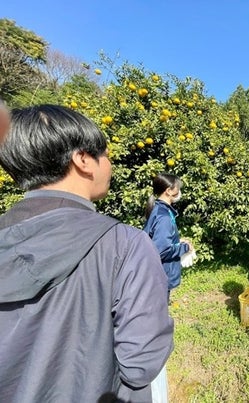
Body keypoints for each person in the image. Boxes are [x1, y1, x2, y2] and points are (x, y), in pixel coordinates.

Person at [0, 105, 174, 403]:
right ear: (83, 159)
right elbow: (141, 364)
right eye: (105, 155)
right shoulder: (125, 245)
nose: (110, 164)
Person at [143, 172, 193, 302]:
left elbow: (157, 239)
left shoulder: (159, 209)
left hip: (155, 274)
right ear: (169, 191)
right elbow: (162, 250)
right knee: (158, 310)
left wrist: (177, 241)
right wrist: (185, 247)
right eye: (178, 188)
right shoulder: (164, 216)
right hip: (160, 276)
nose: (179, 191)